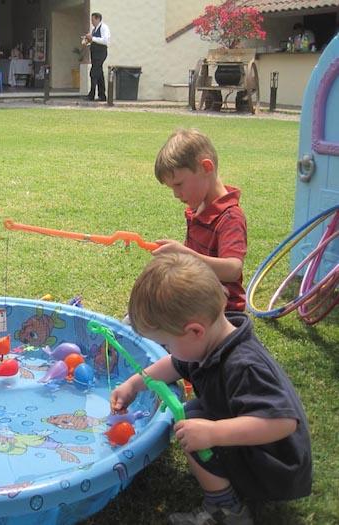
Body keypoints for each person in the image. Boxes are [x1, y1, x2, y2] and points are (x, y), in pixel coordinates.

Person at [112, 253, 312, 525]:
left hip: (274, 466)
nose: (169, 351)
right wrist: (134, 384)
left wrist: (214, 433)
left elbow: (283, 422)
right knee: (193, 413)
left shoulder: (244, 366)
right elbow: (175, 363)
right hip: (256, 445)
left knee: (190, 424)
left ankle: (227, 510)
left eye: (168, 343)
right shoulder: (209, 344)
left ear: (195, 331)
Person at [152, 128, 247, 312]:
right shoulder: (197, 209)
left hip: (221, 312)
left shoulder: (230, 217)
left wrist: (186, 255)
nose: (176, 195)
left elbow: (233, 269)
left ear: (206, 167)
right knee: (144, 309)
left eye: (179, 184)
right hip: (197, 300)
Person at [82, 12, 110, 101]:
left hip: (100, 53)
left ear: (98, 19)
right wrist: (87, 41)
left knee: (93, 73)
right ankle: (102, 95)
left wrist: (92, 38)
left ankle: (91, 95)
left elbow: (105, 40)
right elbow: (93, 40)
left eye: (93, 20)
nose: (91, 22)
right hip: (95, 54)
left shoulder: (104, 27)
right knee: (99, 73)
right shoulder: (94, 29)